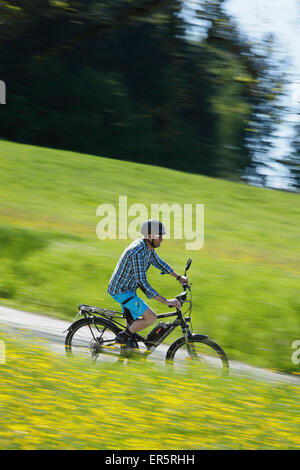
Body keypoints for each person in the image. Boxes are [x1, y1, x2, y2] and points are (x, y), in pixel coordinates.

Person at [107, 219, 188, 348]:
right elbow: (142, 283)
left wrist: (178, 277)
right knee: (151, 317)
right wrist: (166, 301)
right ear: (150, 236)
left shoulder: (148, 247)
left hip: (129, 289)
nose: (162, 239)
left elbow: (159, 262)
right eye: (160, 236)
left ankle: (129, 350)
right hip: (121, 291)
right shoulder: (137, 252)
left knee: (133, 326)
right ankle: (122, 337)